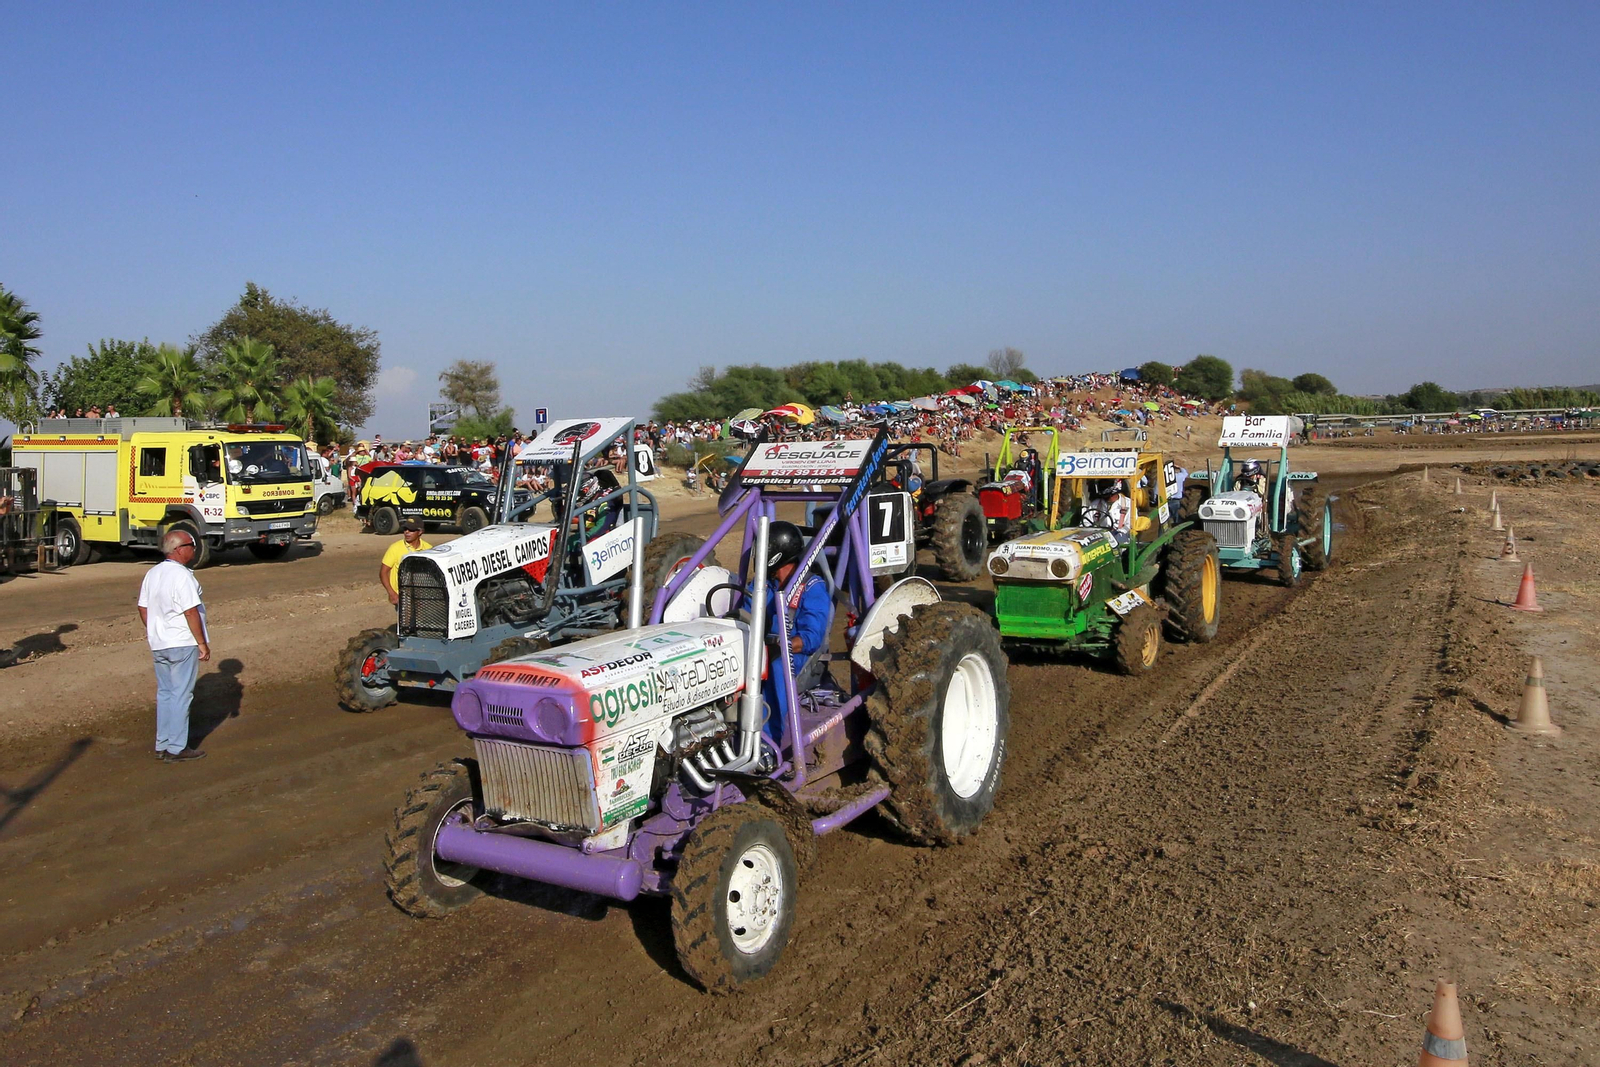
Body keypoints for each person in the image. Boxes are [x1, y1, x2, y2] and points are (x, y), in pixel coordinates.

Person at [138, 529, 211, 762]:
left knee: (166, 693)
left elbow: (143, 607)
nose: (194, 549)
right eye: (191, 545)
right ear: (179, 549)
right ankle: (177, 748)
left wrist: (156, 629)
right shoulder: (182, 576)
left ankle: (163, 744)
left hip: (160, 643)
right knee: (181, 694)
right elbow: (190, 611)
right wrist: (202, 643)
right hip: (181, 642)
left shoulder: (153, 573)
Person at [380, 519, 432, 605]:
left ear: (420, 532)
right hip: (402, 597)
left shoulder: (429, 549)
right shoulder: (395, 548)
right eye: (405, 529)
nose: (407, 532)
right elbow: (383, 572)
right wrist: (392, 593)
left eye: (411, 530)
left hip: (422, 597)